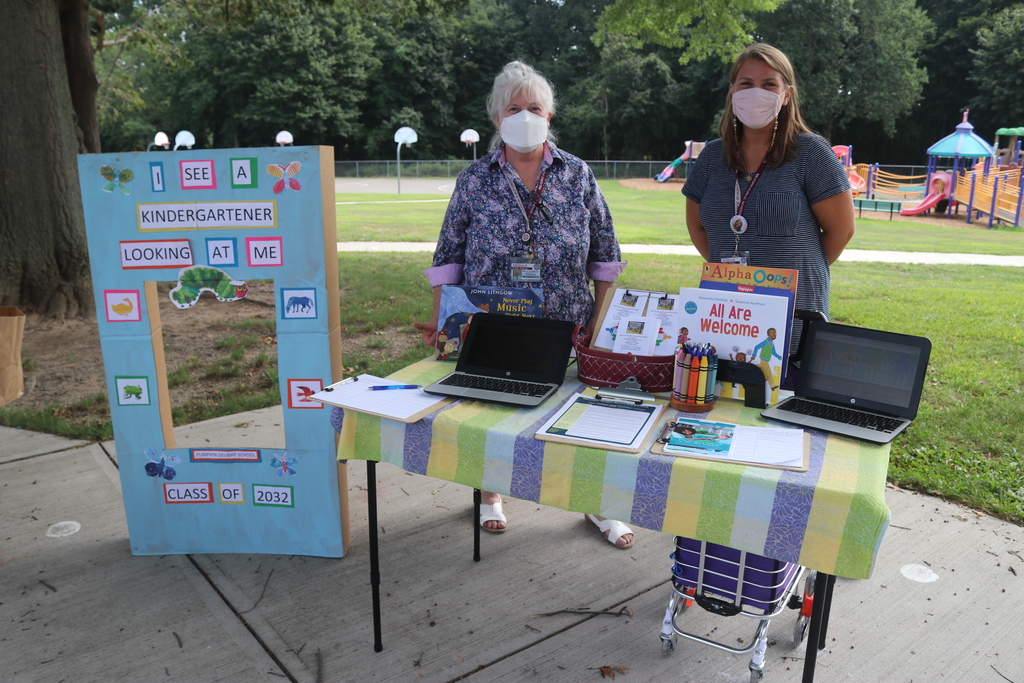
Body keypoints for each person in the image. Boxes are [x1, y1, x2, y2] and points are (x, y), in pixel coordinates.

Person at [414, 61, 634, 548]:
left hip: (566, 322)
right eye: (513, 108)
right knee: (490, 409)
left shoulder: (577, 174)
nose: (524, 115)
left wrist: (601, 320)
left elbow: (605, 254)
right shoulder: (474, 179)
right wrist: (437, 317)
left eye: (534, 107)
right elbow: (449, 253)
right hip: (494, 325)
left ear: (550, 115)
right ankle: (489, 493)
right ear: (497, 118)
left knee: (577, 413)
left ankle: (595, 504)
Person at [683, 43, 855, 355]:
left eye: (769, 84)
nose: (755, 92)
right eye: (746, 84)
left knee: (784, 399)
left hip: (793, 314)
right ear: (733, 90)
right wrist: (735, 275)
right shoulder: (710, 157)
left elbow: (841, 231)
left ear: (787, 94)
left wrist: (782, 278)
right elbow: (697, 227)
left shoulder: (812, 153)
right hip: (726, 313)